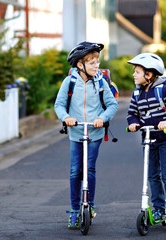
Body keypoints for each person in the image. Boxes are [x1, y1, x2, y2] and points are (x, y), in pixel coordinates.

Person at [54, 41, 118, 229]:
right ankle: (75, 210)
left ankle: (88, 206)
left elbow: (112, 104)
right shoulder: (70, 82)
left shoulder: (100, 81)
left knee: (89, 169)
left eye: (97, 62)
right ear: (80, 65)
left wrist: (102, 117)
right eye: (92, 63)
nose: (96, 66)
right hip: (76, 131)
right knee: (75, 171)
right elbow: (58, 105)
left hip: (94, 132)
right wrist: (66, 118)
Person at [126, 53, 166, 230]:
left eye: (137, 71)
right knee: (152, 176)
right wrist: (133, 123)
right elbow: (132, 114)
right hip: (148, 140)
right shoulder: (136, 93)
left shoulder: (163, 90)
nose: (133, 75)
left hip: (165, 139)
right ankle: (159, 210)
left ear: (149, 74)